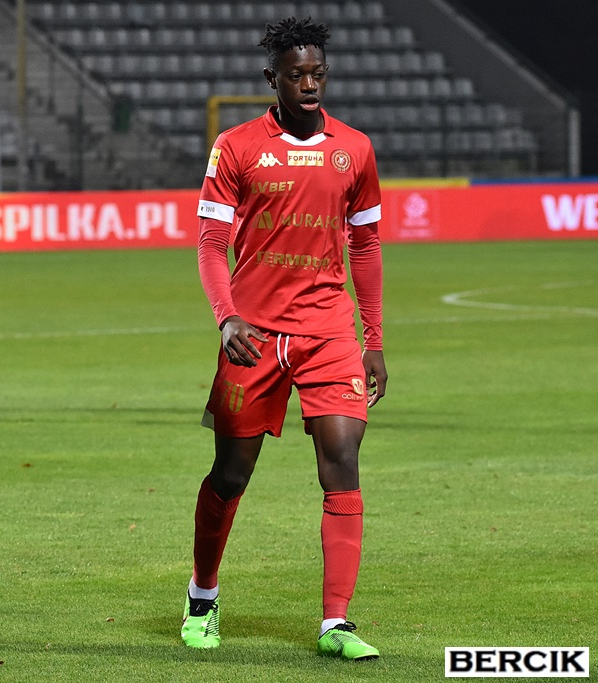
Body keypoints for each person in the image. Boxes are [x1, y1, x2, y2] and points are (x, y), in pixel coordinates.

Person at [180, 17, 388, 659]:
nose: (309, 84)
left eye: (318, 73)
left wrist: (374, 338)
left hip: (329, 332)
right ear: (272, 78)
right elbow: (211, 244)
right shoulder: (236, 147)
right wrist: (227, 318)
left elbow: (366, 245)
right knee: (231, 472)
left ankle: (335, 623)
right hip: (253, 335)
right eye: (297, 75)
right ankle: (202, 595)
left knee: (343, 461)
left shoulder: (355, 149)